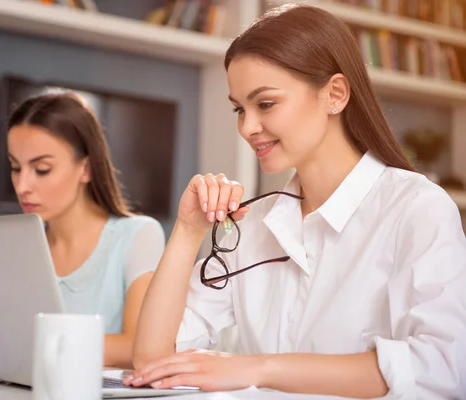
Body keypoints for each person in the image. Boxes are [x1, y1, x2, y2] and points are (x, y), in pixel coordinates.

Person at [127, 3, 466, 399]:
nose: (248, 127)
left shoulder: (416, 208)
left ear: (335, 94)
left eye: (265, 104)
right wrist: (187, 232)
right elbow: (152, 360)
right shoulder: (252, 225)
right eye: (239, 109)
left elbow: (443, 368)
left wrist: (258, 367)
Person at [6, 90, 165, 368]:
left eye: (42, 169)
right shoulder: (19, 248)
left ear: (86, 169)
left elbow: (139, 347)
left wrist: (38, 347)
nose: (22, 186)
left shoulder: (139, 235)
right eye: (15, 167)